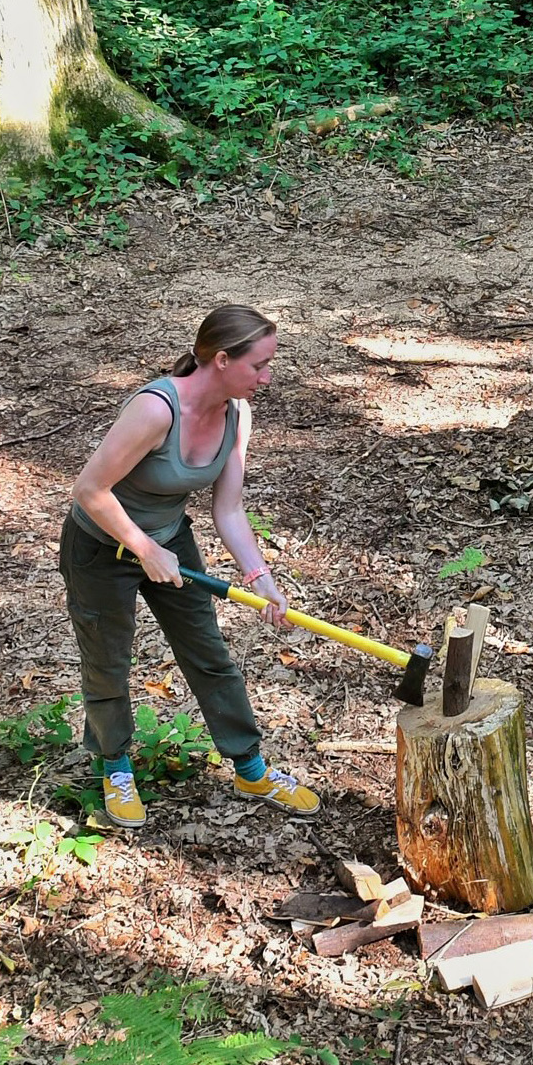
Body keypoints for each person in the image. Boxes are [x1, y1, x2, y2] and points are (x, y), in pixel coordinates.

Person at [59, 303, 319, 829]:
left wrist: (260, 577)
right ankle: (115, 766)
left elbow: (228, 508)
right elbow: (90, 490)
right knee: (108, 660)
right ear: (221, 360)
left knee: (208, 652)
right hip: (100, 546)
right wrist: (143, 548)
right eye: (259, 365)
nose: (267, 378)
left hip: (169, 540)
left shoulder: (238, 413)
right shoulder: (157, 410)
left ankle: (249, 766)